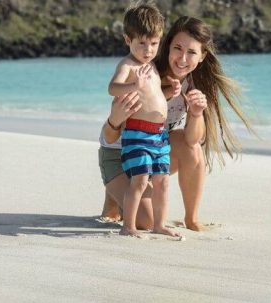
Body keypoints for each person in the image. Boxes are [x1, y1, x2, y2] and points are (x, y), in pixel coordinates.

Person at [99, 16, 253, 231]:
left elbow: (192, 140)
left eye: (191, 52)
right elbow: (110, 137)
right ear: (167, 47)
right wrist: (115, 119)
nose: (182, 58)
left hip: (154, 148)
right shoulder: (145, 74)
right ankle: (116, 192)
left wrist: (196, 113)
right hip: (119, 153)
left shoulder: (194, 84)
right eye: (177, 48)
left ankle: (191, 219)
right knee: (146, 222)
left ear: (202, 56)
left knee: (193, 150)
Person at [106, 3, 179, 238]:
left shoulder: (151, 67)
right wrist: (131, 85)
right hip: (137, 134)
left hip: (160, 135)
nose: (148, 50)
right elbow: (112, 88)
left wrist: (171, 92)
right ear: (128, 40)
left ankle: (159, 224)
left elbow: (154, 98)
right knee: (139, 180)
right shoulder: (128, 65)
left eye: (154, 44)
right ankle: (128, 227)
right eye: (142, 43)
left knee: (162, 182)